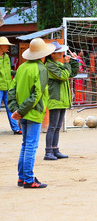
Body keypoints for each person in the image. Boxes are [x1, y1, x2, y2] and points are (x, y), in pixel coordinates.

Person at [8, 38, 55, 188]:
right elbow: (37, 95)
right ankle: (28, 179)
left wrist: (16, 110)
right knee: (30, 146)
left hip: (22, 112)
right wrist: (21, 111)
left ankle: (22, 177)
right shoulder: (41, 69)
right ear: (43, 55)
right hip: (33, 112)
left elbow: (12, 90)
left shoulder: (21, 67)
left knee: (25, 144)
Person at [43, 42, 80, 160]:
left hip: (62, 98)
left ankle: (55, 149)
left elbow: (72, 73)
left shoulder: (57, 64)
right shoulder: (49, 66)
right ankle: (48, 152)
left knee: (57, 126)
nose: (61, 54)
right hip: (55, 98)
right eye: (58, 52)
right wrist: (68, 64)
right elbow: (64, 76)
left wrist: (74, 61)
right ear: (51, 54)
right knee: (53, 127)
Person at [0, 36, 22, 134]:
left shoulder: (6, 57)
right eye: (6, 45)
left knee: (11, 108)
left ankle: (16, 129)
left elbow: (7, 71)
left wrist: (16, 73)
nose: (8, 47)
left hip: (8, 87)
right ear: (1, 46)